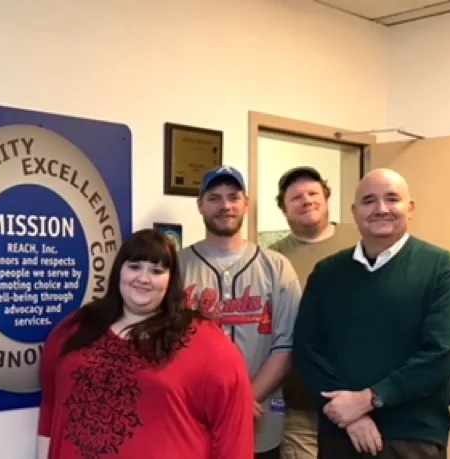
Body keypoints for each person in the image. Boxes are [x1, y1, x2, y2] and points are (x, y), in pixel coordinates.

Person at [292, 168, 450, 459]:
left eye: (392, 199)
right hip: (340, 433)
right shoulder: (327, 273)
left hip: (412, 437)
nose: (381, 209)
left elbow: (442, 353)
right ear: (354, 211)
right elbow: (307, 349)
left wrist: (370, 399)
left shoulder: (441, 268)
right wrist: (351, 415)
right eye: (369, 200)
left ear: (410, 208)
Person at [37, 229, 254, 459]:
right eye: (134, 266)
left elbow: (234, 439)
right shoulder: (75, 328)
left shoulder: (207, 345)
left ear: (171, 280)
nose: (143, 278)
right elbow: (51, 410)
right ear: (118, 270)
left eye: (157, 271)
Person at [178, 166, 302, 459]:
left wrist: (244, 400)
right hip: (192, 417)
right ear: (200, 204)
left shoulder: (277, 266)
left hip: (259, 418)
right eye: (215, 197)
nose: (225, 205)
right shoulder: (176, 265)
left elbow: (286, 343)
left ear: (246, 203)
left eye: (233, 197)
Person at [268, 166, 362, 459]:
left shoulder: (360, 239)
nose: (306, 200)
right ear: (284, 208)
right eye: (296, 197)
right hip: (302, 403)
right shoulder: (273, 259)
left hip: (361, 396)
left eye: (313, 193)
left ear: (327, 198)